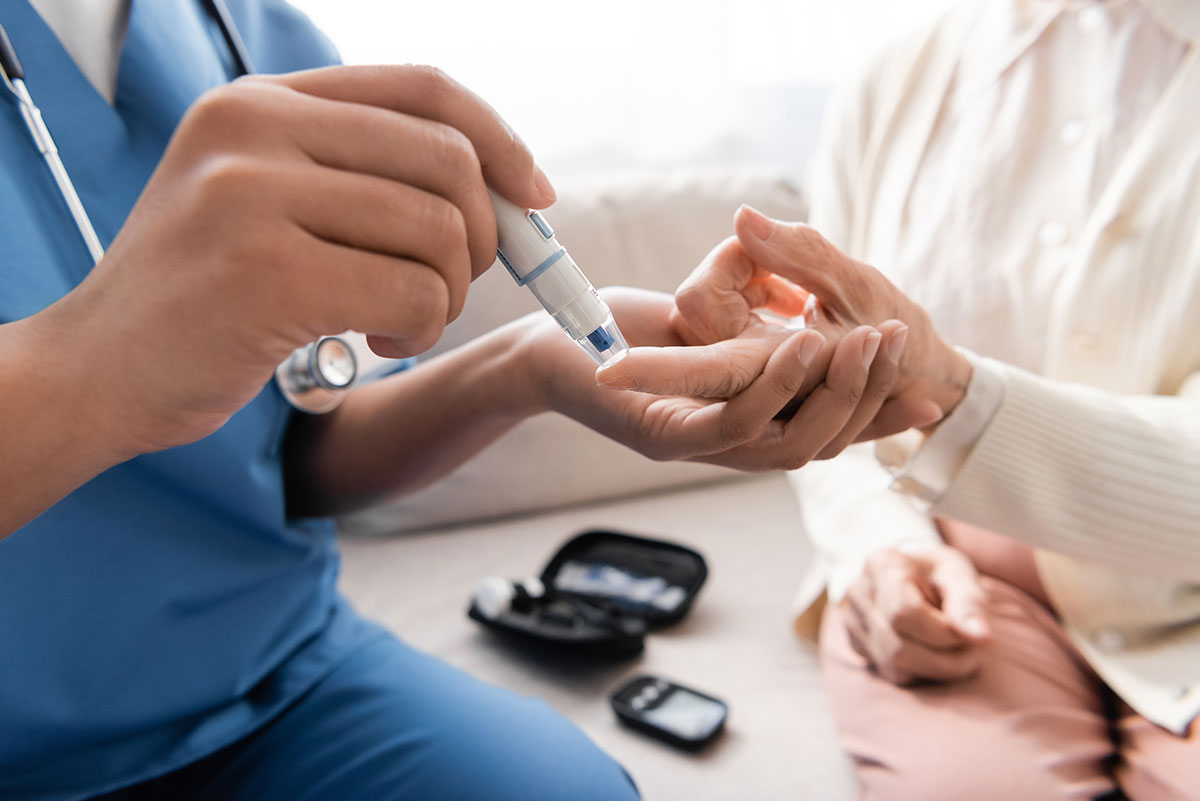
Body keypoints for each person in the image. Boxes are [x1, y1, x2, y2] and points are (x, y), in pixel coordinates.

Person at [0, 1, 920, 799]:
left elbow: (293, 452)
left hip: (268, 671)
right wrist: (97, 357)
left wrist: (532, 367)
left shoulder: (241, 29)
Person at [602, 0, 1200, 798]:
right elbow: (828, 381)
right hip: (953, 585)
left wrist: (952, 390)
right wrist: (878, 545)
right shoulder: (897, 77)